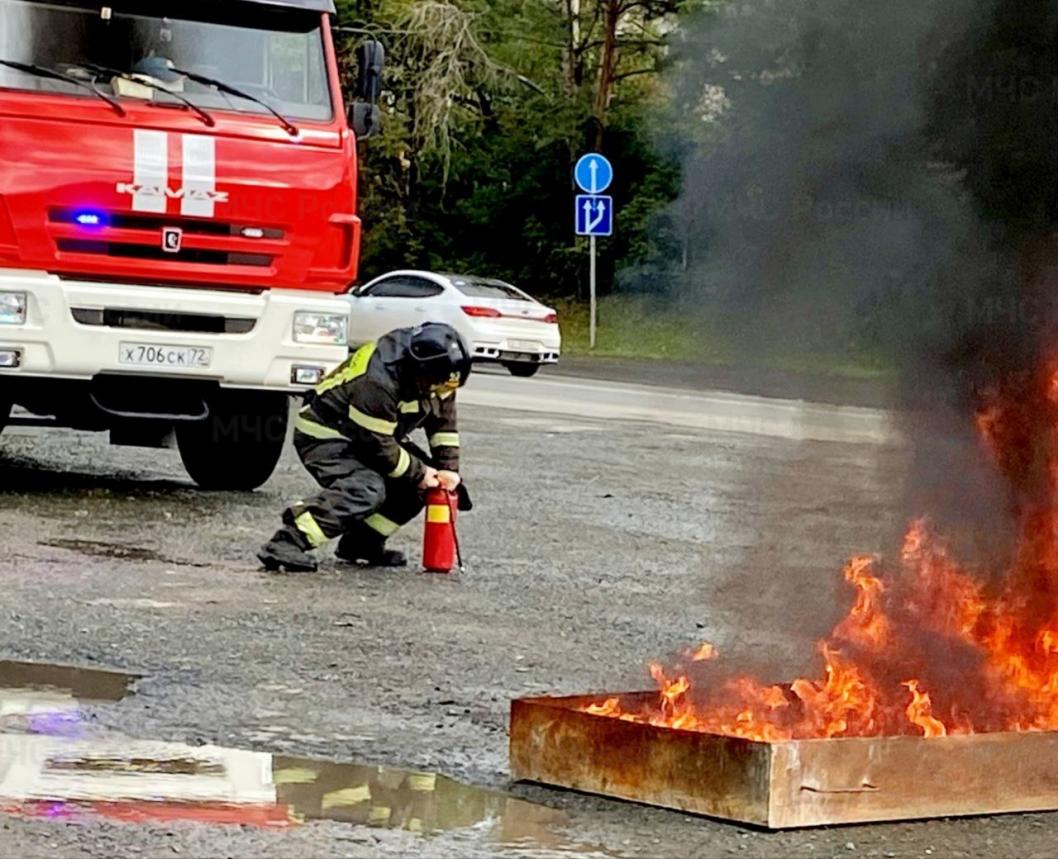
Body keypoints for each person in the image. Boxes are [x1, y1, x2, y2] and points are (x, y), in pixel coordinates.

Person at [258, 323, 472, 573]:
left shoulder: (439, 374)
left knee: (417, 486)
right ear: (421, 370)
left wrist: (448, 470)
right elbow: (378, 447)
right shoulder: (377, 381)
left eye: (448, 387)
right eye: (438, 386)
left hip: (369, 435)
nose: (442, 392)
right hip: (326, 434)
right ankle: (288, 541)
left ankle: (361, 543)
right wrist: (421, 472)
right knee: (365, 489)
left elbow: (443, 426)